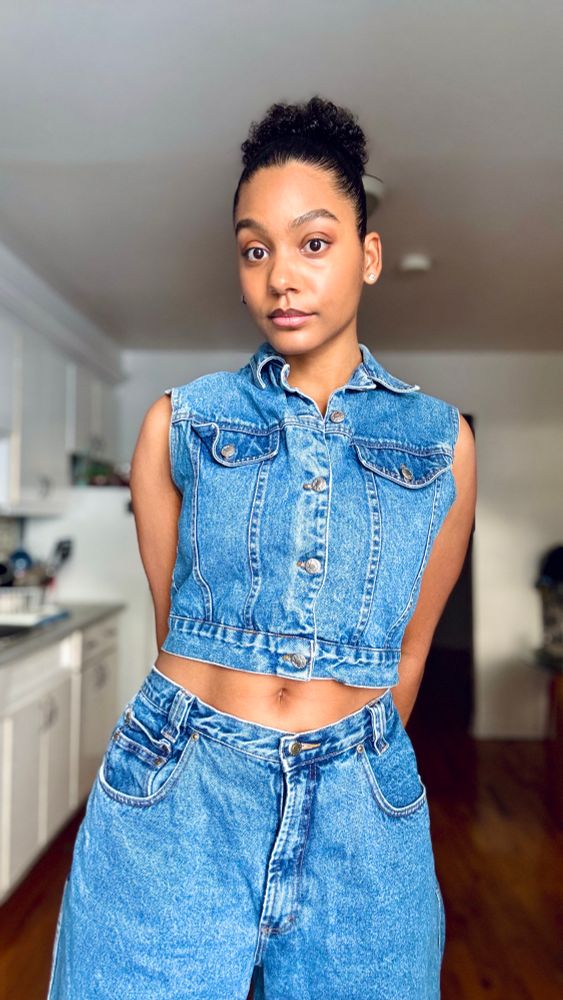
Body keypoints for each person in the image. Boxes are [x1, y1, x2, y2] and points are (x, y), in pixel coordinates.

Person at [47, 95, 476, 999]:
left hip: (362, 818)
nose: (282, 275)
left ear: (366, 256)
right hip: (179, 801)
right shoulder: (179, 424)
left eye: (313, 242)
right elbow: (181, 630)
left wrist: (336, 740)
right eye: (256, 248)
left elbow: (406, 655)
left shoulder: (442, 443)